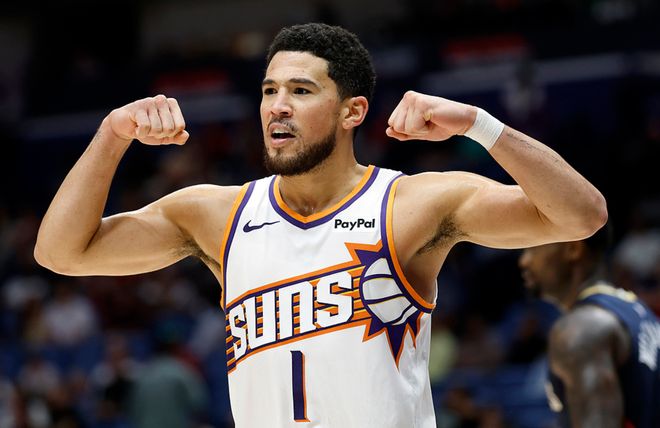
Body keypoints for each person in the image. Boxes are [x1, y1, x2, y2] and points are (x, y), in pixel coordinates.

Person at [34, 23, 607, 427]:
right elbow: (60, 253)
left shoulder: (408, 204)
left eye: (301, 91)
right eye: (269, 91)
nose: (277, 106)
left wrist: (479, 125)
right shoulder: (216, 214)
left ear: (352, 111)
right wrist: (112, 135)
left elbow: (582, 215)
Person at [518, 225, 660, 427]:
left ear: (573, 249)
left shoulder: (582, 327)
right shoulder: (634, 307)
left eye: (532, 248)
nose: (524, 261)